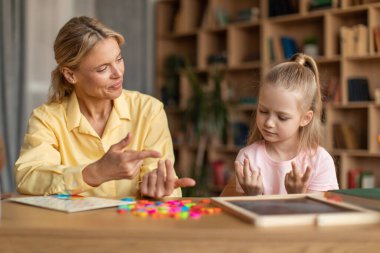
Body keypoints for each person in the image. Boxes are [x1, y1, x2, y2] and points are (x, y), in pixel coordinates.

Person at [14, 16, 195, 199]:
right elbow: (29, 176)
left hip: (133, 225)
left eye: (119, 59)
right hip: (73, 227)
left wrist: (159, 189)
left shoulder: (149, 110)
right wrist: (96, 172)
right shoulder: (47, 118)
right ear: (70, 75)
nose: (118, 73)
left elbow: (163, 184)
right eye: (103, 69)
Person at [234, 53, 338, 196]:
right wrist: (253, 195)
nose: (269, 123)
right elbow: (241, 216)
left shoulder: (320, 160)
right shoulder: (248, 158)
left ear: (305, 119)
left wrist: (298, 195)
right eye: (263, 111)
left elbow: (320, 216)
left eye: (282, 117)